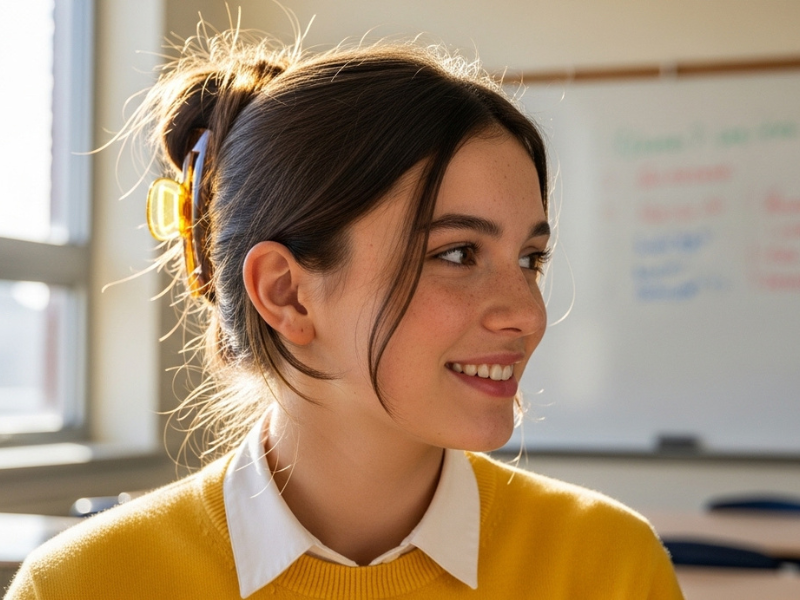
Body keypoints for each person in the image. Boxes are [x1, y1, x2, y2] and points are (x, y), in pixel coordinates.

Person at [6, 28, 684, 600]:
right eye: (456, 254)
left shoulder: (610, 567)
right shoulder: (83, 585)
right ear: (287, 294)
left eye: (529, 259)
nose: (527, 315)